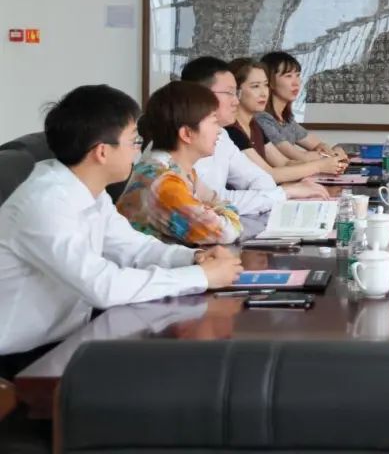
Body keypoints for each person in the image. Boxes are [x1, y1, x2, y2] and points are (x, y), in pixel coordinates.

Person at [0, 84, 242, 378]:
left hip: (71, 337)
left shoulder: (88, 189)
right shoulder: (44, 204)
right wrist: (201, 277)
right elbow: (104, 286)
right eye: (134, 141)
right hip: (22, 361)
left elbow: (135, 248)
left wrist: (194, 258)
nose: (139, 150)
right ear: (102, 152)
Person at [179, 56, 328, 237]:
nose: (236, 101)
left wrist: (277, 194)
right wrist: (284, 193)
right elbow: (214, 201)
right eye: (230, 93)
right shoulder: (184, 140)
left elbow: (258, 177)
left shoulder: (222, 135)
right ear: (200, 96)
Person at [117, 81, 244, 245]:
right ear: (187, 134)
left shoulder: (181, 170)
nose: (219, 130)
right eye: (213, 121)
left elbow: (216, 201)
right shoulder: (164, 182)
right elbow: (225, 233)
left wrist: (217, 210)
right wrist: (220, 212)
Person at [227, 58, 346, 184]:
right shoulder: (231, 130)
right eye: (255, 86)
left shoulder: (254, 126)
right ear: (235, 91)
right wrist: (319, 166)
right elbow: (268, 174)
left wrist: (328, 162)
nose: (264, 93)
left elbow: (284, 163)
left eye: (265, 85)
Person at [254, 51, 349, 164]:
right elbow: (298, 157)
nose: (296, 83)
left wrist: (334, 152)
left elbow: (319, 145)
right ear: (269, 81)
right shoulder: (262, 118)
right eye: (288, 76)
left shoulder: (287, 120)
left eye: (298, 75)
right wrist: (331, 156)